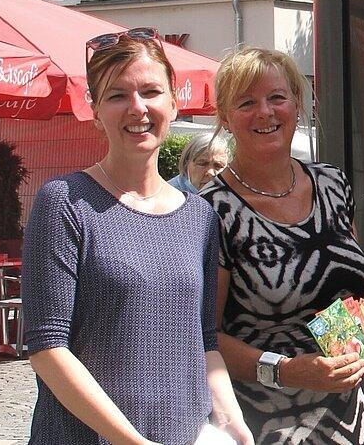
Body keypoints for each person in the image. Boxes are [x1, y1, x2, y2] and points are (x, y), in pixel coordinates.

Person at [22, 27, 252, 445]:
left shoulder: (199, 217)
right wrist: (134, 442)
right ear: (94, 110)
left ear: (174, 101)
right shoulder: (66, 202)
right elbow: (46, 348)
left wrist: (234, 422)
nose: (137, 108)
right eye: (117, 96)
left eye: (150, 91)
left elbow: (202, 341)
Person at [201, 47, 364, 444]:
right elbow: (201, 338)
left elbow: (346, 296)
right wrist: (286, 370)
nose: (266, 112)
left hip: (350, 421)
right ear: (224, 117)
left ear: (298, 102)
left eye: (277, 97)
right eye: (247, 102)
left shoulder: (332, 184)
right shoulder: (212, 208)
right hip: (265, 424)